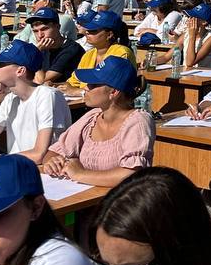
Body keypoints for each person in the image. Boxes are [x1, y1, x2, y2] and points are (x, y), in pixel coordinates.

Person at [0, 41, 71, 168]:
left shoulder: (47, 95)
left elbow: (39, 154)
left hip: (41, 173)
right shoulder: (10, 99)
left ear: (20, 70)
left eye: (0, 64)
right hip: (17, 167)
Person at [44, 57, 155, 186]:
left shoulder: (138, 121)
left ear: (113, 92)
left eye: (93, 85)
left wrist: (80, 174)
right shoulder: (92, 117)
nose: (85, 88)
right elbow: (54, 152)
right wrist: (52, 162)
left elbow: (132, 174)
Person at [67, 11, 135, 90]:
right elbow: (72, 82)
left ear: (109, 35)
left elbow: (108, 90)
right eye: (88, 29)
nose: (87, 32)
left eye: (93, 30)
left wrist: (79, 92)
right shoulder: (88, 54)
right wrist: (55, 85)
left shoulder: (121, 53)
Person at [25, 6, 84, 86]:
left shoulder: (71, 49)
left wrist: (36, 55)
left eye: (44, 29)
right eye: (35, 31)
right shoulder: (43, 47)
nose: (40, 35)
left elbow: (41, 81)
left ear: (57, 27)